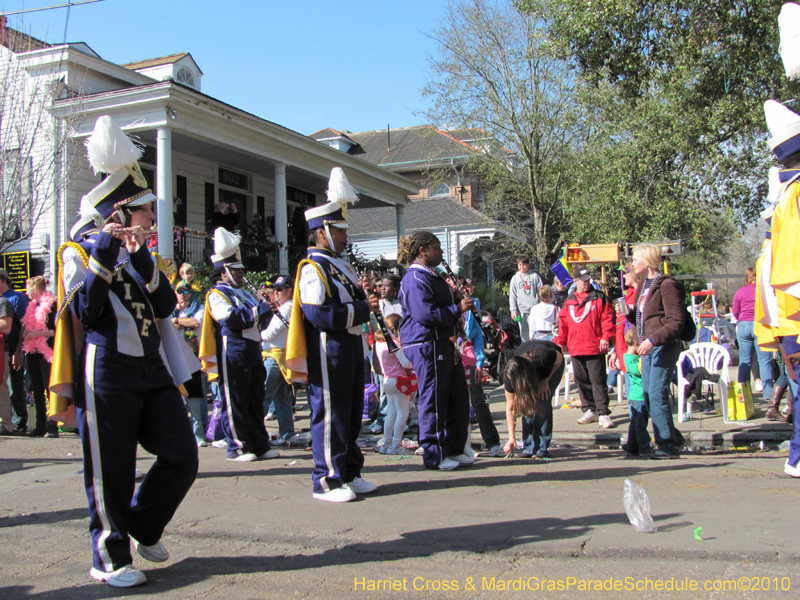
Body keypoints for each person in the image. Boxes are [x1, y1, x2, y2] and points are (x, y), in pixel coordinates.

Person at [60, 115, 198, 588]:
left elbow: (164, 305)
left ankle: (143, 524)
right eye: (143, 210)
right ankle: (109, 558)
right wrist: (104, 252)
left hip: (151, 368)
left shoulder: (140, 254)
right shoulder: (77, 252)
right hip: (107, 369)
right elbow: (87, 310)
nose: (151, 217)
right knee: (111, 470)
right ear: (117, 213)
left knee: (182, 454)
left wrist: (139, 255)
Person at [286, 167, 379, 502]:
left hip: (350, 346)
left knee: (352, 415)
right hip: (329, 350)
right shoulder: (313, 268)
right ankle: (327, 480)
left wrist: (364, 299)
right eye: (339, 231)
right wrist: (362, 308)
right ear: (322, 232)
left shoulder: (340, 265)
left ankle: (349, 472)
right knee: (331, 415)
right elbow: (319, 314)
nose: (344, 236)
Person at [397, 231, 475, 471]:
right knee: (434, 399)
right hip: (426, 343)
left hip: (442, 341)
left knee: (456, 397)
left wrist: (455, 299)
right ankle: (434, 454)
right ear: (423, 250)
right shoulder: (414, 278)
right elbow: (424, 314)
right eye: (437, 247)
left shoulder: (430, 275)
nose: (441, 252)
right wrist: (456, 309)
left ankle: (454, 448)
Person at [200, 227, 278, 463]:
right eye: (236, 269)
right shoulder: (217, 294)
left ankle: (259, 444)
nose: (242, 272)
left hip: (253, 349)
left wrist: (268, 310)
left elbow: (258, 319)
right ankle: (238, 446)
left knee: (255, 397)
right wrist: (260, 310)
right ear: (224, 272)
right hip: (233, 350)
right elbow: (231, 319)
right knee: (236, 400)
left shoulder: (243, 293)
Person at [626, 242, 686, 460]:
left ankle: (668, 444)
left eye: (635, 259)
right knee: (648, 394)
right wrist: (628, 313)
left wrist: (653, 340)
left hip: (664, 345)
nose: (632, 264)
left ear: (648, 260)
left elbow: (675, 321)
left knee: (657, 393)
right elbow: (643, 319)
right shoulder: (644, 285)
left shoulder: (667, 284)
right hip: (648, 347)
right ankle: (674, 437)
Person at [553, 267, 616, 429]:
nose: (586, 283)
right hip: (576, 347)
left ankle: (603, 412)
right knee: (581, 380)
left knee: (598, 380)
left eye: (588, 280)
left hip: (594, 346)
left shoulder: (600, 297)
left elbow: (608, 319)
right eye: (583, 280)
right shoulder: (569, 300)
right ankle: (589, 409)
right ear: (575, 281)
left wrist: (606, 337)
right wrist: (560, 341)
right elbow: (563, 324)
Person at [502, 339, 565, 458]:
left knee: (542, 400)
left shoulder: (543, 355)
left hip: (552, 365)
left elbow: (559, 358)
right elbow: (510, 408)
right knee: (526, 404)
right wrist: (511, 437)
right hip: (528, 371)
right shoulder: (510, 377)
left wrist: (545, 381)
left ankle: (542, 447)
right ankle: (528, 446)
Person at [461, 278, 502, 457]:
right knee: (453, 404)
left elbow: (477, 334)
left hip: (469, 356)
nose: (463, 287)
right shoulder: (443, 301)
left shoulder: (472, 303)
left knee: (477, 400)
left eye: (464, 284)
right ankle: (459, 445)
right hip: (449, 358)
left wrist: (479, 362)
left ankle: (492, 443)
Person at [171, 283, 208, 447]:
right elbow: (166, 325)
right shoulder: (171, 309)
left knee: (195, 397)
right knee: (176, 398)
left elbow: (195, 322)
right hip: (175, 357)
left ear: (191, 293)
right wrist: (177, 320)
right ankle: (180, 435)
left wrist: (176, 321)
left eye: (186, 291)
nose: (182, 294)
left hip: (192, 358)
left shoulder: (199, 307)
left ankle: (199, 435)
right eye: (179, 292)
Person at [21, 276, 58, 437]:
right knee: (36, 390)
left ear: (35, 288)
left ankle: (53, 425)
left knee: (50, 389)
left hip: (47, 352)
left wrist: (38, 333)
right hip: (33, 352)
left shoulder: (52, 304)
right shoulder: (31, 306)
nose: (26, 292)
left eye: (27, 288)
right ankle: (40, 425)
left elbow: (58, 330)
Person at [261, 274, 295, 446]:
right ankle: (287, 434)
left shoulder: (287, 308)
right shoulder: (286, 307)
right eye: (274, 289)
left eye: (279, 289)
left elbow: (270, 333)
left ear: (290, 290)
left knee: (263, 395)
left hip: (275, 357)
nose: (276, 293)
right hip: (279, 356)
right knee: (282, 398)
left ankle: (255, 433)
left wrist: (255, 333)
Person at [375, 313, 414, 455]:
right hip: (399, 381)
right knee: (403, 414)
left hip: (387, 380)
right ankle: (396, 445)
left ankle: (386, 444)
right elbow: (406, 363)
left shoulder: (379, 343)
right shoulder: (394, 343)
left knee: (391, 414)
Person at [733, 268, 774, 401]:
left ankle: (743, 394)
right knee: (764, 360)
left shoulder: (740, 291)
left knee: (745, 360)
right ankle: (768, 393)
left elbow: (735, 311)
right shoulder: (764, 290)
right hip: (760, 324)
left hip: (744, 325)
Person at [0, 268, 29, 434]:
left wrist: (19, 350)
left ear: (3, 279)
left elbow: (25, 323)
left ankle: (19, 422)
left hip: (13, 347)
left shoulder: (16, 297)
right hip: (2, 347)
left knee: (15, 386)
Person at [621, 328, 650, 457]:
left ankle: (631, 446)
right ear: (637, 343)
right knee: (640, 424)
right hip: (638, 395)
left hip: (637, 395)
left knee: (635, 423)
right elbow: (640, 371)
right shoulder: (631, 358)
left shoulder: (630, 357)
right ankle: (644, 447)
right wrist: (643, 358)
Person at [509, 256, 542, 342]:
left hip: (534, 310)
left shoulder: (535, 276)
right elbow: (512, 295)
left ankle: (535, 347)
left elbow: (541, 292)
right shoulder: (515, 278)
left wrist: (540, 305)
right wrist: (513, 310)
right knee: (524, 334)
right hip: (521, 310)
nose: (522, 267)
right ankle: (525, 348)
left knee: (534, 332)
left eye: (524, 265)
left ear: (528, 265)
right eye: (520, 265)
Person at [0, 297, 15, 434]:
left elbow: (6, 327)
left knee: (0, 386)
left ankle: (6, 424)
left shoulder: (2, 302)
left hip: (1, 350)